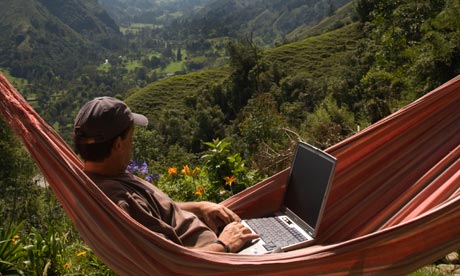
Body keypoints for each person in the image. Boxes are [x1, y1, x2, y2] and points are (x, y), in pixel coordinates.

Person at [73, 96, 258, 253]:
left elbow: (152, 212)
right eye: (131, 137)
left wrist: (199, 207)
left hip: (214, 240)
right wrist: (224, 245)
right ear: (118, 144)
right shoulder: (117, 200)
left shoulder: (107, 176)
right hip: (217, 262)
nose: (133, 143)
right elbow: (171, 266)